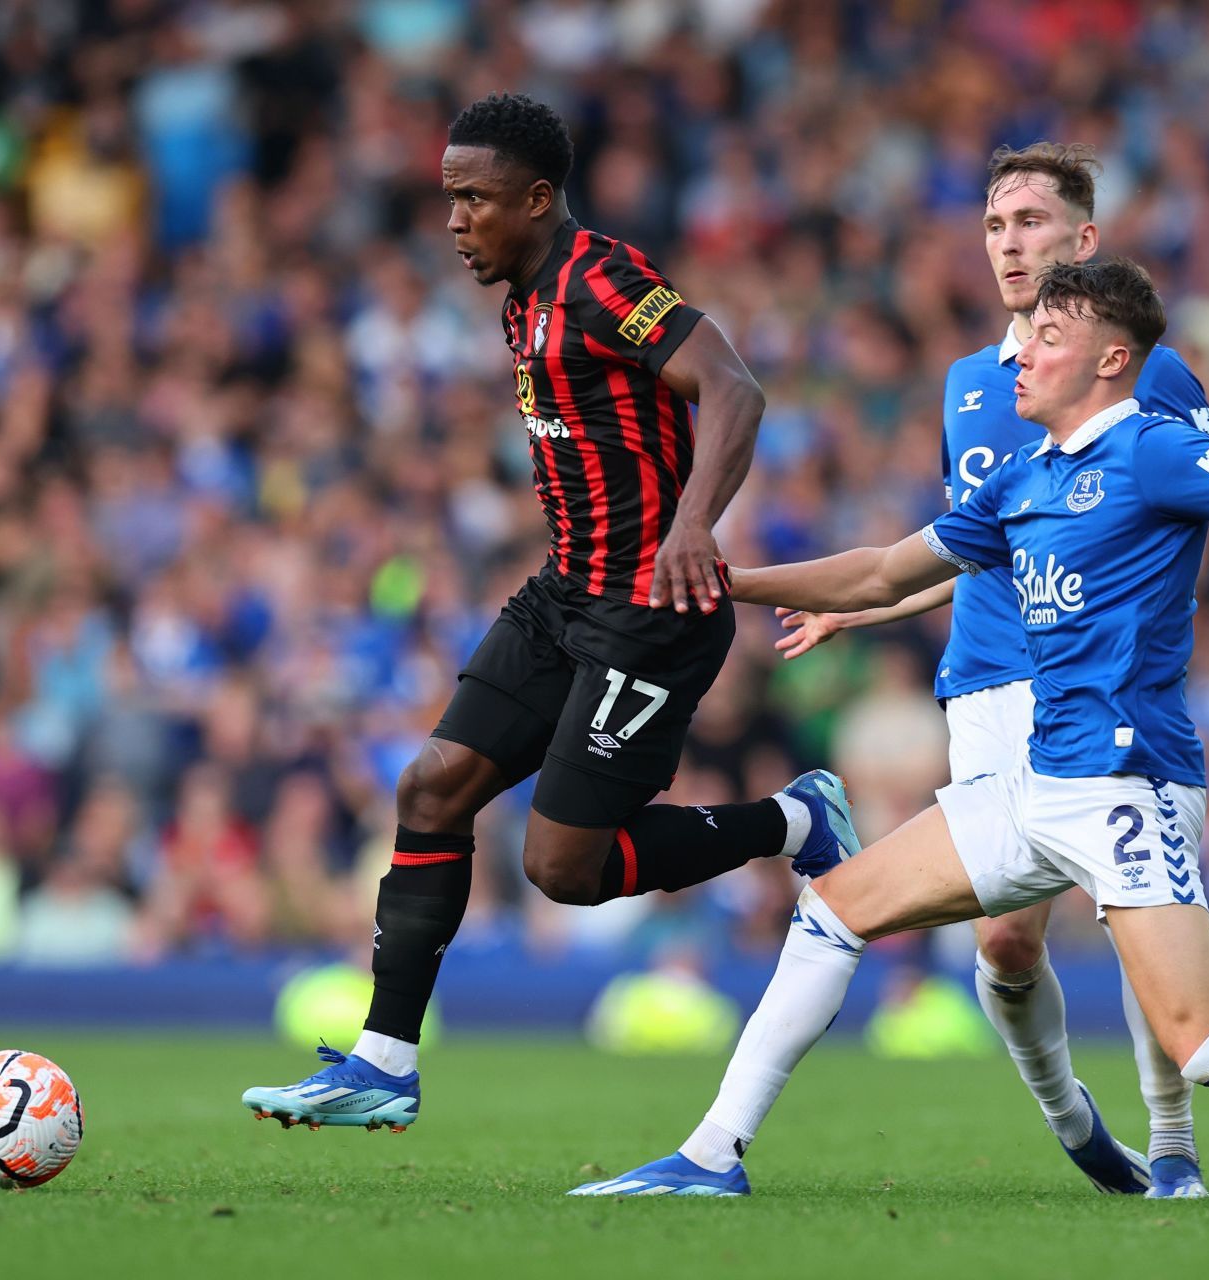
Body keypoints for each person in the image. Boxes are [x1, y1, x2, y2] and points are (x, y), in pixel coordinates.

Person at [572, 260, 1209, 1212]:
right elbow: (887, 573)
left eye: (1047, 336)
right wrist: (724, 577)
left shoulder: (1153, 448)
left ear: (1111, 357)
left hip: (1119, 785)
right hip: (1027, 784)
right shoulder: (1023, 480)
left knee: (1208, 1046)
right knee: (833, 907)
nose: (1018, 352)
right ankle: (712, 1154)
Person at [241, 93, 861, 1131]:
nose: (453, 221)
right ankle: (384, 1062)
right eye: (448, 200)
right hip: (565, 591)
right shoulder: (518, 296)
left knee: (562, 867)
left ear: (536, 199)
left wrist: (694, 524)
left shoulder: (601, 281)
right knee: (432, 786)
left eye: (473, 200)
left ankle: (797, 818)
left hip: (651, 610)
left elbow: (735, 387)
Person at [736, 143, 1209, 1200]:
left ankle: (1171, 1138)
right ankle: (1070, 1113)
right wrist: (874, 604)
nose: (1010, 242)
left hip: (1098, 680)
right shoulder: (969, 384)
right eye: (995, 224)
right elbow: (995, 540)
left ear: (1084, 239)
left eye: (1033, 220)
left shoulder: (1140, 366)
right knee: (1004, 940)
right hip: (985, 678)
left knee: (1138, 919)